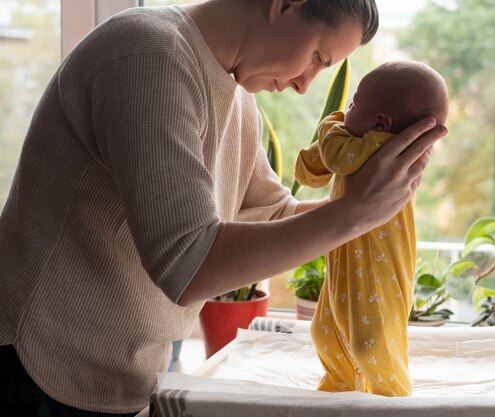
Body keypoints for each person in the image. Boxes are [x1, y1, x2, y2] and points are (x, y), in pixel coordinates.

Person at [0, 0, 447, 414]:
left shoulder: (238, 98)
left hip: (117, 375)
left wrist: (380, 208)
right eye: (316, 56)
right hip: (39, 365)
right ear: (284, 4)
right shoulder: (146, 55)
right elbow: (188, 263)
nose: (303, 84)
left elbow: (273, 219)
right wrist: (353, 213)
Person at [295, 60, 449, 396]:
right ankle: (340, 388)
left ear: (380, 123)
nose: (344, 111)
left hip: (378, 273)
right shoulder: (358, 146)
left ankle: (392, 400)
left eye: (352, 104)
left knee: (373, 344)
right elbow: (309, 172)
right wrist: (335, 133)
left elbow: (334, 157)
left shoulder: (377, 148)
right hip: (346, 264)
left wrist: (330, 123)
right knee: (325, 330)